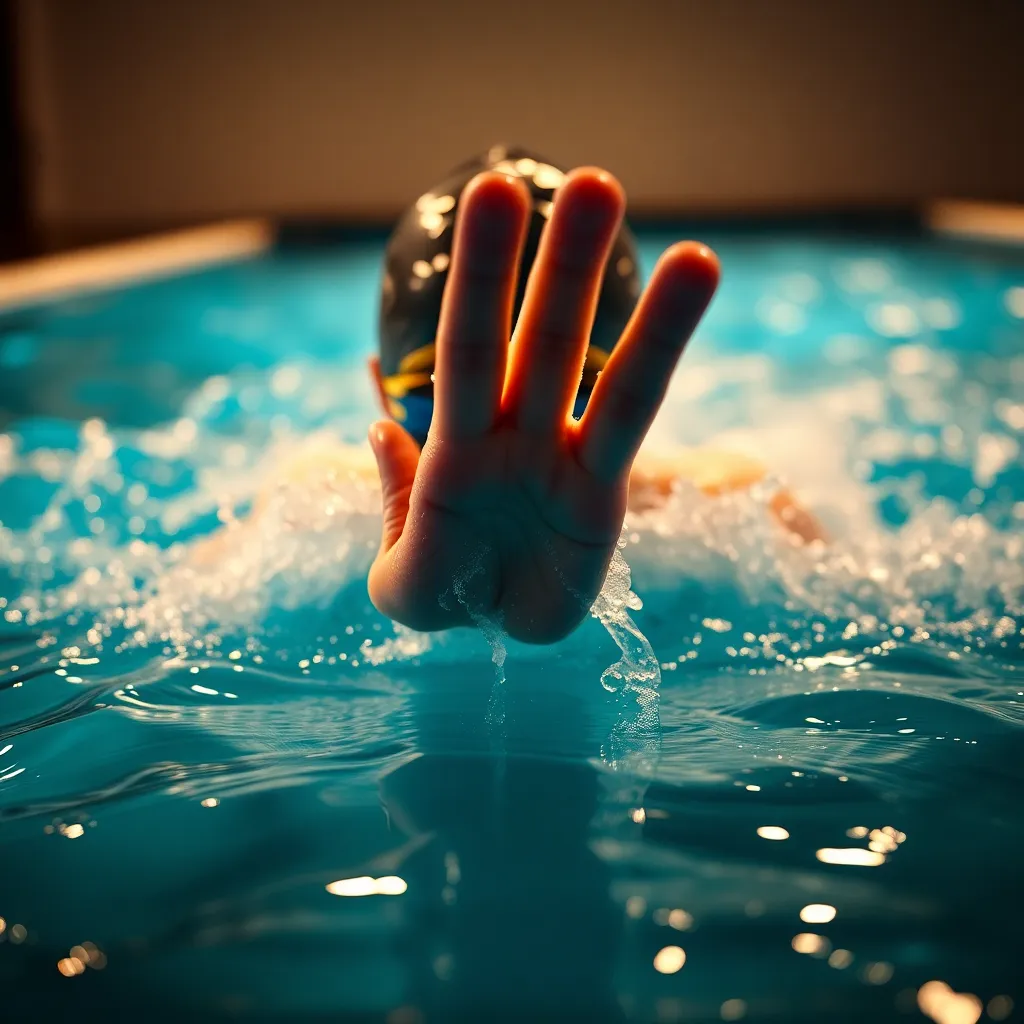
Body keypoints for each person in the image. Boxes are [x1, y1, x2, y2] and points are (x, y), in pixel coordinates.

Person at [194, 149, 823, 641]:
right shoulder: (306, 505)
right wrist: (397, 589)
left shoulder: (739, 509)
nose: (509, 439)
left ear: (639, 394)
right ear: (377, 393)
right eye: (439, 392)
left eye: (570, 392)